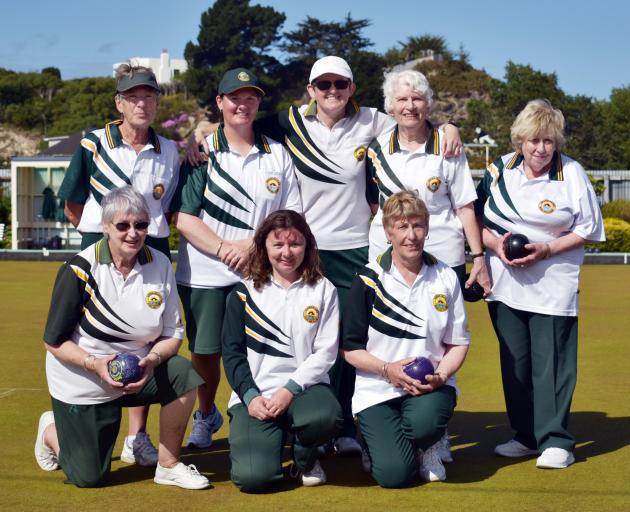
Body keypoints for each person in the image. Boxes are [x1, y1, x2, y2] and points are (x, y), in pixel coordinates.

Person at [190, 56, 463, 455]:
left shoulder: (374, 120)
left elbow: (412, 120)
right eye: (323, 85)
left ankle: (351, 423)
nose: (332, 91)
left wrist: (448, 127)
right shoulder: (290, 123)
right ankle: (310, 422)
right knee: (311, 337)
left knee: (353, 340)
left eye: (340, 84)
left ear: (352, 88)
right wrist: (207, 128)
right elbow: (240, 122)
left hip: (356, 248)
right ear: (311, 90)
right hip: (304, 252)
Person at [34, 187, 209, 490]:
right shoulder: (79, 269)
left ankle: (168, 465)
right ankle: (52, 430)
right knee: (89, 477)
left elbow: (173, 333)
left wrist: (151, 361)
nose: (133, 233)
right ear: (105, 226)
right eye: (123, 225)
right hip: (84, 379)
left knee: (184, 374)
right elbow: (54, 341)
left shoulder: (160, 264)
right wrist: (94, 364)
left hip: (139, 372)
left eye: (141, 225)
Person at [170, 68, 302, 450]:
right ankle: (207, 414)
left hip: (262, 268)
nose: (241, 104)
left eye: (249, 98)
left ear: (258, 103)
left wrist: (251, 246)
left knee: (269, 347)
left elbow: (289, 215)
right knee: (206, 350)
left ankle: (272, 414)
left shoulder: (277, 153)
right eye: (234, 97)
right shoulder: (203, 153)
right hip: (206, 271)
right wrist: (225, 250)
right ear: (220, 103)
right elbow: (185, 218)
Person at [56, 64, 180, 466]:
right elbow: (72, 201)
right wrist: (98, 236)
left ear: (158, 102)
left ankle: (137, 437)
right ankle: (84, 415)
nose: (142, 104)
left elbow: (169, 205)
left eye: (149, 97)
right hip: (100, 245)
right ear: (119, 103)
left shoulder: (171, 150)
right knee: (91, 335)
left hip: (151, 247)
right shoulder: (93, 143)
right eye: (133, 97)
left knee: (144, 338)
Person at [366, 69, 490, 461]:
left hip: (443, 257)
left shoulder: (447, 145)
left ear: (428, 104)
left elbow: (465, 206)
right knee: (386, 341)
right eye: (402, 99)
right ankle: (379, 428)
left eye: (417, 98)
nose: (410, 106)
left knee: (440, 342)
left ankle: (434, 435)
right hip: (387, 261)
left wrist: (479, 258)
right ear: (390, 106)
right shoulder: (376, 147)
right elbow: (374, 205)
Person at [475, 99, 605, 469]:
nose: (540, 148)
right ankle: (526, 435)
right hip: (504, 283)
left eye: (548, 141)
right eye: (533, 140)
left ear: (557, 142)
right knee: (515, 363)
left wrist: (546, 249)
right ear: (520, 140)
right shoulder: (500, 169)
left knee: (552, 365)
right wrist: (493, 245)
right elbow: (475, 221)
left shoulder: (571, 173)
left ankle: (556, 440)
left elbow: (588, 229)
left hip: (552, 285)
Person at [342, 191, 470, 488]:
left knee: (423, 425)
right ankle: (377, 445)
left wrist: (442, 375)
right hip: (378, 388)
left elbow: (458, 342)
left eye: (417, 226)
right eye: (402, 227)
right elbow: (350, 349)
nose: (411, 235)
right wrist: (389, 370)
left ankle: (430, 444)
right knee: (395, 476)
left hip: (430, 387)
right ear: (388, 232)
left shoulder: (446, 276)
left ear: (427, 228)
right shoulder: (367, 279)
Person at [222, 210, 342, 492]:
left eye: (295, 244)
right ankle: (272, 445)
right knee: (254, 479)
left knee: (326, 417)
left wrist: (289, 389)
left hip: (306, 391)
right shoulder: (243, 292)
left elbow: (326, 352)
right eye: (278, 245)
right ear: (264, 246)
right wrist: (251, 397)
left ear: (308, 246)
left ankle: (305, 456)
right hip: (257, 396)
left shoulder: (324, 289)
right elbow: (232, 354)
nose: (287, 252)